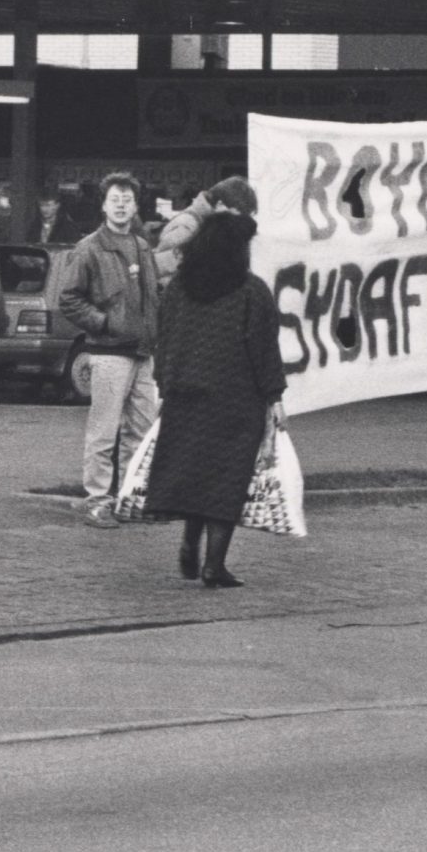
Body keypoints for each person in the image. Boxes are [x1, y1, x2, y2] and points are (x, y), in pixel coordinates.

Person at [148, 209, 287, 590]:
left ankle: (189, 542)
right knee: (225, 480)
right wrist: (274, 397)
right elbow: (263, 350)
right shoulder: (251, 291)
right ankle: (214, 565)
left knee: (194, 473)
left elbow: (166, 339)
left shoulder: (178, 288)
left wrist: (165, 385)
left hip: (186, 397)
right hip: (235, 401)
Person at [58, 171, 160, 523]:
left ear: (135, 206)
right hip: (108, 353)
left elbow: (153, 297)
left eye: (127, 200)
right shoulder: (88, 248)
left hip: (143, 354)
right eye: (114, 200)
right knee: (104, 431)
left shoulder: (142, 245)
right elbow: (69, 300)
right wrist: (104, 323)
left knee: (142, 431)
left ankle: (131, 496)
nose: (120, 206)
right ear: (103, 205)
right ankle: (98, 498)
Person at [153, 174, 259, 282]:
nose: (238, 223)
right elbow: (157, 268)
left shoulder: (202, 225)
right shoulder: (188, 226)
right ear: (220, 205)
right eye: (236, 216)